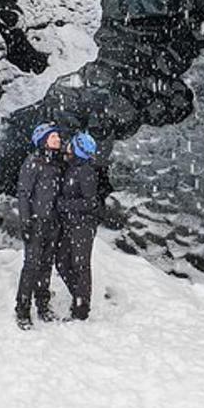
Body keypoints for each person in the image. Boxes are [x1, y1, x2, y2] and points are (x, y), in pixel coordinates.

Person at [55, 129, 113, 320]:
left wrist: (63, 204)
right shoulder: (73, 166)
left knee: (80, 264)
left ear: (78, 150)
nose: (68, 145)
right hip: (70, 223)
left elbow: (91, 202)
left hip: (83, 225)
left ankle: (81, 309)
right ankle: (79, 297)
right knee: (62, 262)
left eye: (72, 144)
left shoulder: (86, 171)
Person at [14, 122, 67, 329]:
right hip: (36, 223)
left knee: (46, 266)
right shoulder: (32, 163)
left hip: (53, 223)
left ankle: (43, 306)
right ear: (43, 139)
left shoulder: (57, 163)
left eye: (58, 137)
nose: (58, 140)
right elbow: (24, 194)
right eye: (54, 137)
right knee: (31, 267)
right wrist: (25, 221)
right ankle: (22, 310)